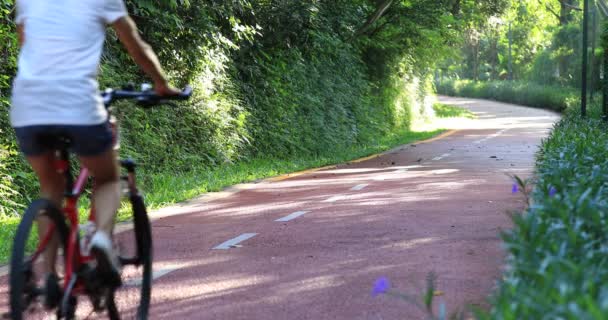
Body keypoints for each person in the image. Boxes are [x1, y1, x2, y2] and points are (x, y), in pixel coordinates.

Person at [11, 0, 179, 289]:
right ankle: (101, 237)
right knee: (108, 178)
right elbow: (135, 44)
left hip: (28, 103)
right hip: (78, 102)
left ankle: (49, 277)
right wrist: (161, 84)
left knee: (49, 186)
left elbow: (26, 43)